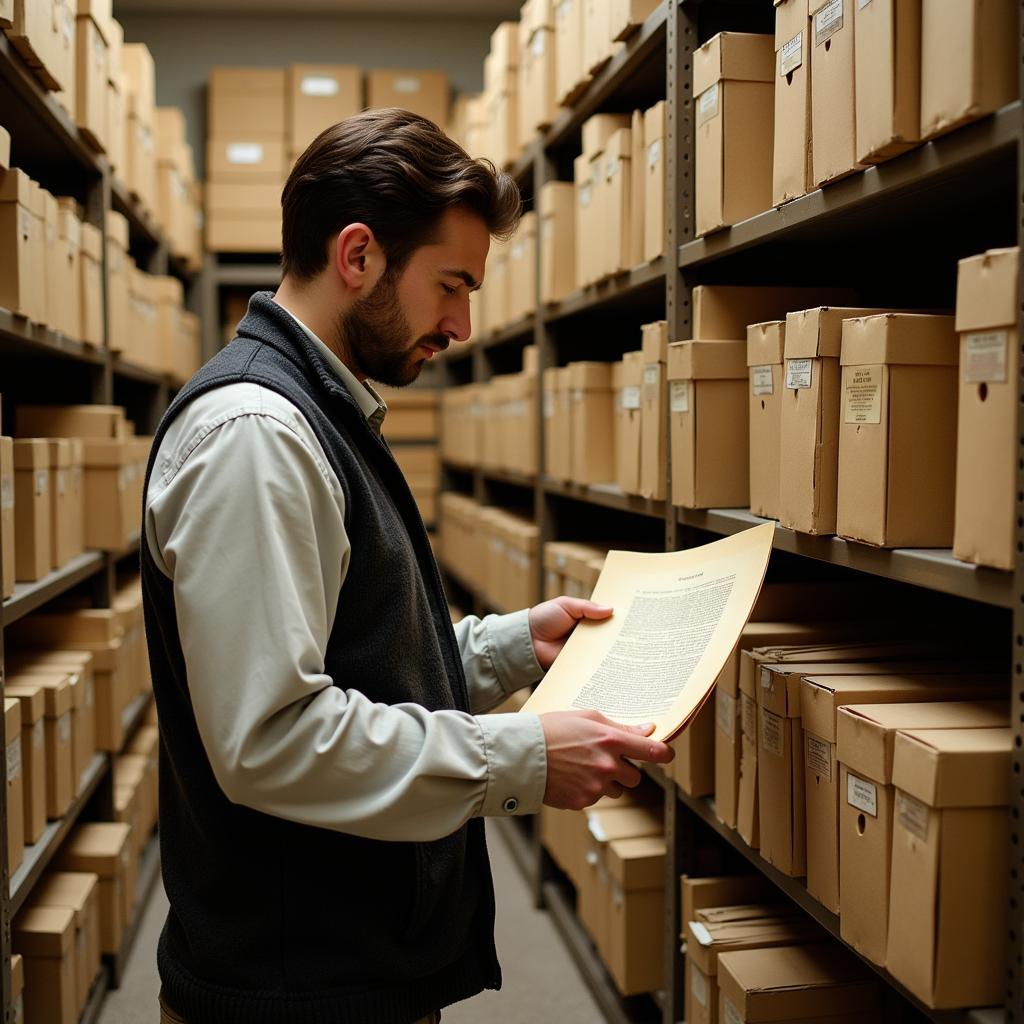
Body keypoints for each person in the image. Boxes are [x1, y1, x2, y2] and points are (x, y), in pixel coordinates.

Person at [141, 108, 674, 1024]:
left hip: (345, 970)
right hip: (295, 990)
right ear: (359, 257)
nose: (463, 324)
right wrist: (523, 759)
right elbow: (272, 740)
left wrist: (511, 648)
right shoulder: (260, 439)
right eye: (451, 285)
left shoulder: (323, 410)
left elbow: (357, 658)